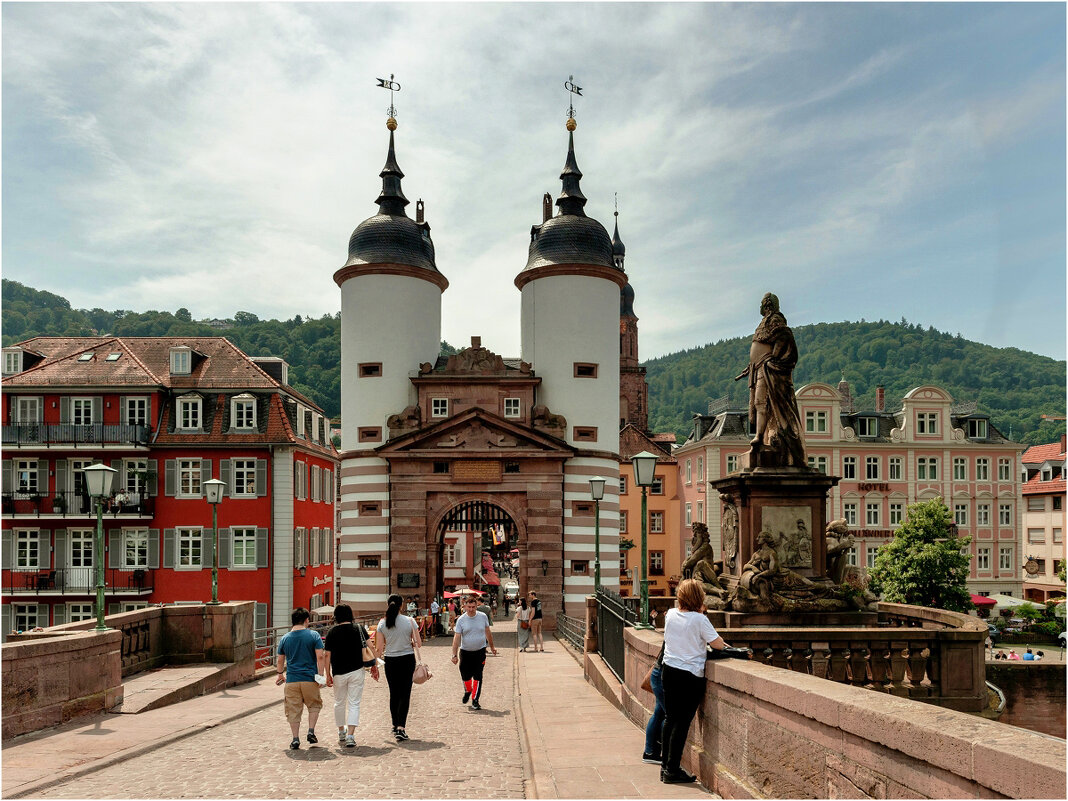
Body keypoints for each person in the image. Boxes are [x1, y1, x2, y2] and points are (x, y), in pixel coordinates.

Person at [659, 578, 733, 784]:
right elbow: (718, 645)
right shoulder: (700, 620)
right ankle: (672, 771)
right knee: (682, 723)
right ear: (698, 597)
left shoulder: (671, 615)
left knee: (670, 719)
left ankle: (665, 767)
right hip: (689, 675)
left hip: (669, 670)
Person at [734, 292, 806, 467]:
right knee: (759, 403)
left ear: (767, 305)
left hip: (768, 368)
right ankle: (761, 436)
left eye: (761, 303)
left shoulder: (775, 319)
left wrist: (773, 359)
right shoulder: (764, 322)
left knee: (764, 402)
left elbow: (783, 338)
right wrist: (751, 365)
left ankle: (760, 436)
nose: (759, 306)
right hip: (758, 367)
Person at [324, 603, 378, 748]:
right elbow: (370, 646)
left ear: (336, 616)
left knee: (339, 702)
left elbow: (326, 655)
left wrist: (327, 674)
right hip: (356, 670)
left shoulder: (331, 632)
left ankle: (341, 731)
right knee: (354, 703)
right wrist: (375, 664)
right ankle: (350, 736)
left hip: (338, 672)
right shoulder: (359, 628)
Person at [276, 607, 326, 750]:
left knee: (293, 710)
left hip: (291, 679)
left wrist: (280, 674)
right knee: (314, 705)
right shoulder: (314, 636)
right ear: (306, 620)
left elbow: (280, 660)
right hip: (309, 679)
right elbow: (320, 656)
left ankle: (295, 739)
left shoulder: (285, 638)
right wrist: (320, 676)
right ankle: (310, 731)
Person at [374, 593, 422, 742]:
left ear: (388, 604)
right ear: (402, 605)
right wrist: (409, 642)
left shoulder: (383, 623)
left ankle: (395, 725)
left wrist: (374, 665)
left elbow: (379, 648)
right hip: (407, 659)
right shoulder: (410, 621)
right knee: (405, 693)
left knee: (394, 693)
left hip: (391, 660)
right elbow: (418, 643)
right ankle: (401, 727)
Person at [451, 595, 497, 710]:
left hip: (480, 652)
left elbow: (488, 631)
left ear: (477, 606)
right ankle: (468, 690)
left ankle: (475, 699)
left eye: (473, 607)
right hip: (465, 652)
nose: (471, 609)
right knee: (465, 675)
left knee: (478, 676)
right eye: (469, 607)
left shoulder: (482, 617)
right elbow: (457, 638)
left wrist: (492, 647)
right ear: (465, 607)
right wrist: (454, 654)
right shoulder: (461, 619)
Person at [641, 642, 667, 765]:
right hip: (663, 675)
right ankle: (653, 752)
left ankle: (650, 752)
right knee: (669, 716)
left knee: (659, 713)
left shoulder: (673, 623)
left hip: (659, 674)